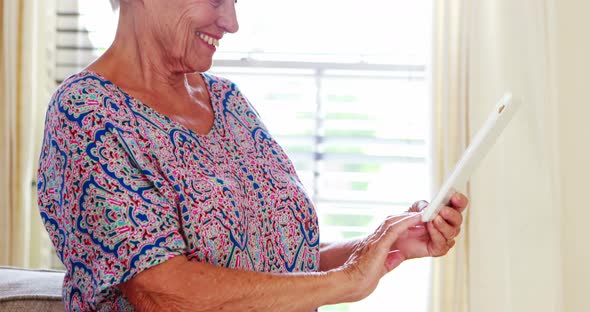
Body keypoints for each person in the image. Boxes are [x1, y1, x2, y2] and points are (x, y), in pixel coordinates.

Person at [37, 0, 468, 311]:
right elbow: (164, 292)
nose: (232, 21)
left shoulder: (228, 101)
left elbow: (275, 264)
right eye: (217, 0)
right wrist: (347, 281)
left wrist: (380, 247)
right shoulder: (87, 112)